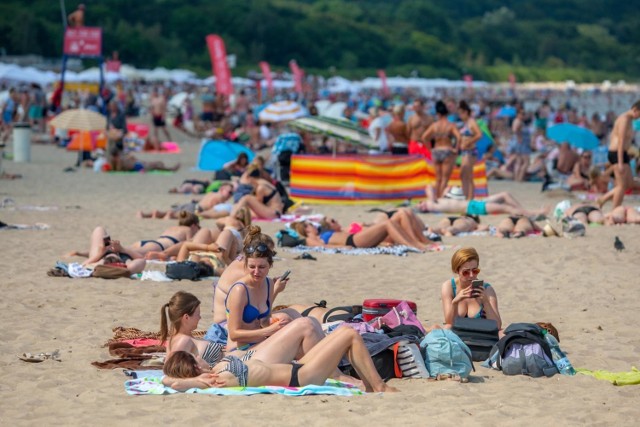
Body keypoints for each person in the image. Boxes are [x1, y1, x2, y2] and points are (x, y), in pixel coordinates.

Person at [160, 292, 362, 386]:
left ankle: (334, 370)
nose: (200, 317)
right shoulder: (181, 342)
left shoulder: (181, 339)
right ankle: (337, 376)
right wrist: (196, 379)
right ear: (186, 317)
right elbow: (171, 373)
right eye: (197, 314)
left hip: (242, 359)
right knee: (305, 326)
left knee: (301, 326)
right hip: (245, 363)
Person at [162, 326, 398, 392]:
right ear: (194, 365)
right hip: (302, 376)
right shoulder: (215, 379)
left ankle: (370, 385)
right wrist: (191, 380)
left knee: (343, 332)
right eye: (196, 358)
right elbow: (172, 382)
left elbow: (167, 379)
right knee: (349, 334)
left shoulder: (214, 372)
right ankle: (379, 387)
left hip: (298, 369)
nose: (200, 358)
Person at [440, 247, 501, 329]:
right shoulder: (449, 287)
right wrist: (455, 302)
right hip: (460, 335)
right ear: (457, 271)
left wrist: (486, 302)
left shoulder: (487, 290)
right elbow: (449, 322)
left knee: (501, 333)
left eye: (475, 271)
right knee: (447, 327)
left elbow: (497, 326)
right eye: (466, 272)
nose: (472, 275)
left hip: (480, 334)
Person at [290, 216, 427, 251]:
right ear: (306, 229)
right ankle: (415, 245)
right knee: (387, 223)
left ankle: (417, 243)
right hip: (353, 241)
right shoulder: (310, 239)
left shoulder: (320, 234)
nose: (314, 226)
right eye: (311, 225)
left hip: (355, 238)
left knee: (391, 221)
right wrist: (342, 248)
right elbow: (322, 247)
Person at [418, 185, 548, 218]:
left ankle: (524, 211)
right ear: (423, 208)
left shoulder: (437, 202)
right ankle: (532, 213)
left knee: (505, 195)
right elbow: (428, 187)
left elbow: (430, 189)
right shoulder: (431, 204)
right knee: (507, 208)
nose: (421, 203)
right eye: (420, 204)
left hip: (474, 203)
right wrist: (428, 199)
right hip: (473, 207)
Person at [600, 100, 640, 208]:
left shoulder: (629, 120)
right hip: (617, 153)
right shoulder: (624, 119)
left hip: (623, 153)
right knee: (622, 186)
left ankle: (602, 199)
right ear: (635, 110)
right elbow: (621, 140)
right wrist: (621, 163)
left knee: (629, 184)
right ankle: (614, 210)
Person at [421, 100, 462, 198]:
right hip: (447, 150)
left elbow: (424, 137)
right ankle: (440, 199)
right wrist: (456, 148)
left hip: (436, 150)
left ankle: (436, 197)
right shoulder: (450, 125)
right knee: (445, 178)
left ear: (438, 113)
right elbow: (459, 137)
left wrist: (429, 149)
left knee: (438, 179)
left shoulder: (434, 125)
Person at [137, 182, 234, 219]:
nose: (230, 195)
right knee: (176, 215)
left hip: (191, 204)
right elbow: (211, 208)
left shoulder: (211, 193)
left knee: (168, 211)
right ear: (222, 189)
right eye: (229, 192)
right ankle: (169, 215)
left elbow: (199, 199)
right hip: (196, 208)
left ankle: (146, 214)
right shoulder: (220, 198)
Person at [458, 101, 482, 199]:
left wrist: (469, 142)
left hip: (470, 151)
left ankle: (470, 198)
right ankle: (465, 196)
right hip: (465, 152)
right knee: (463, 175)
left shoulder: (472, 122)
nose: (459, 115)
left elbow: (479, 134)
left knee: (468, 176)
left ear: (465, 112)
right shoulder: (466, 123)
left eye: (460, 113)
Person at [108, 146, 180, 172]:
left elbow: (114, 169)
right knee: (156, 165)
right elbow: (118, 170)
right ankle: (171, 169)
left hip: (137, 164)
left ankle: (168, 168)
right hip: (137, 167)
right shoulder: (118, 160)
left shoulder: (116, 159)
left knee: (156, 163)